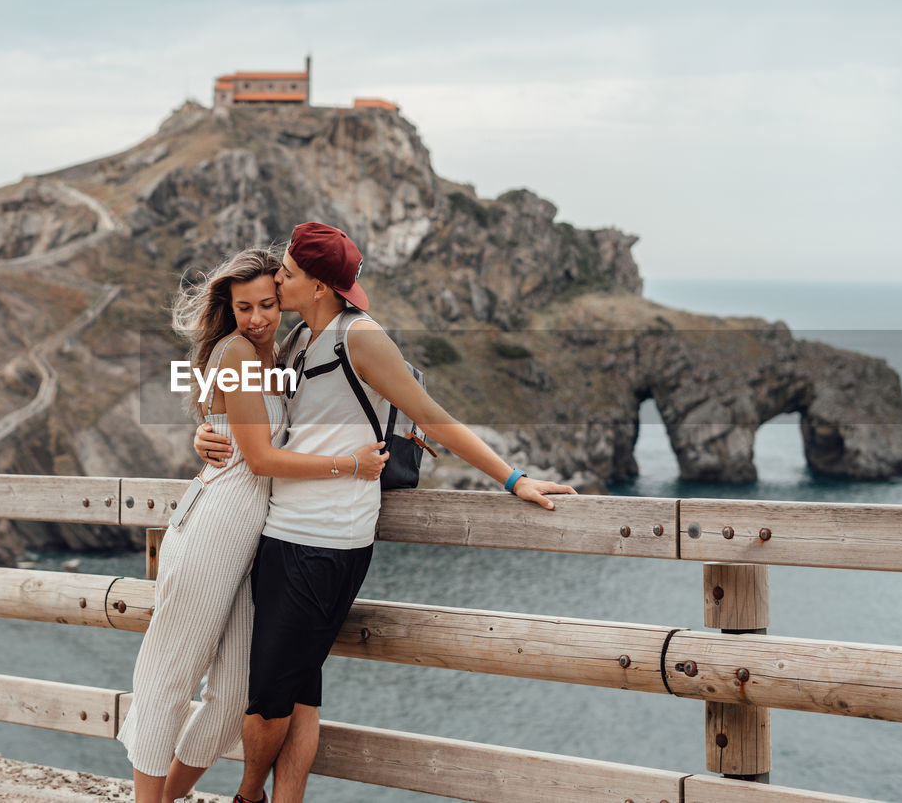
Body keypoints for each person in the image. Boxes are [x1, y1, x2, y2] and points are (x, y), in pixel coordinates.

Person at [194, 222, 578, 803]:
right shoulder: (299, 339)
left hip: (326, 544)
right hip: (283, 535)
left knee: (268, 695)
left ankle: (247, 798)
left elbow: (433, 414)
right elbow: (259, 418)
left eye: (289, 274)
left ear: (320, 286)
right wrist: (207, 434)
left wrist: (515, 478)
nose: (278, 278)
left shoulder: (361, 338)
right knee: (300, 692)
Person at [116, 247, 387, 803]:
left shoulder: (284, 352)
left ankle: (167, 798)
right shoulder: (238, 350)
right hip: (216, 525)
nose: (258, 317)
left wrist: (207, 422)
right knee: (170, 678)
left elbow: (228, 394)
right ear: (229, 307)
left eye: (268, 303)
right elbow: (259, 456)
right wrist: (351, 465)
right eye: (244, 307)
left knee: (234, 694)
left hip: (259, 538)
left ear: (285, 300)